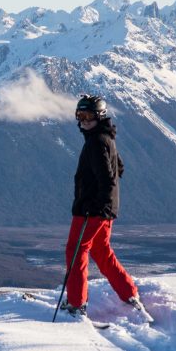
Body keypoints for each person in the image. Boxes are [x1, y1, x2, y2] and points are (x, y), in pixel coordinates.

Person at [61, 94, 148, 320]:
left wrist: (93, 203)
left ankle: (76, 304)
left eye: (88, 116)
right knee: (101, 252)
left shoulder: (97, 142)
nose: (84, 121)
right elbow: (119, 168)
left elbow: (109, 179)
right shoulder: (106, 138)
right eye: (80, 116)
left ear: (99, 116)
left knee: (76, 249)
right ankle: (129, 293)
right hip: (105, 211)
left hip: (91, 211)